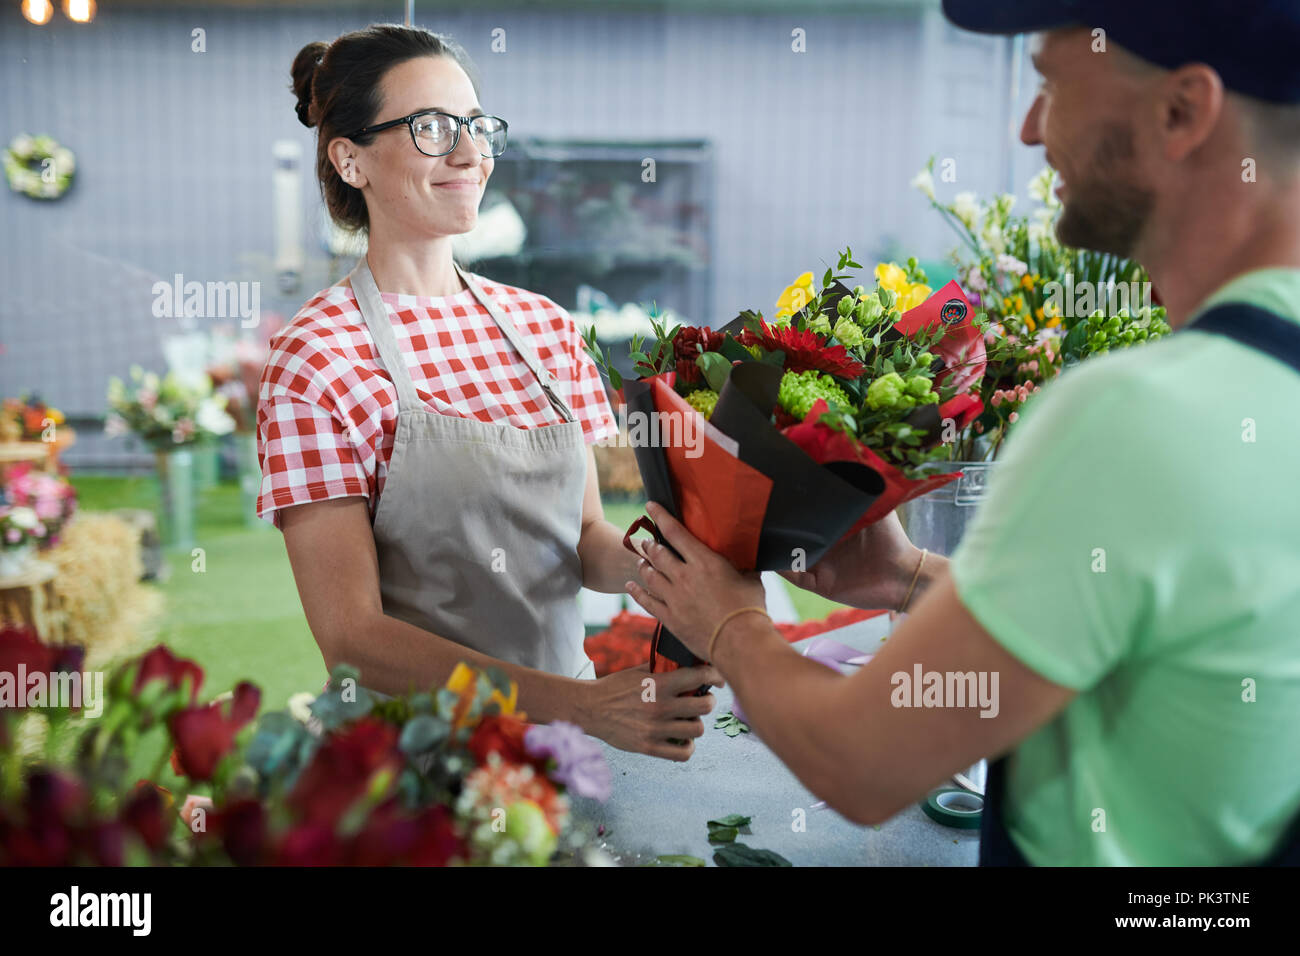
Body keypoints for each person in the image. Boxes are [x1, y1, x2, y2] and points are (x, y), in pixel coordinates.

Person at [628, 0, 1300, 864]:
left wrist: (724, 621)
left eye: (1051, 82)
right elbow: (1156, 657)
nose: (1027, 129)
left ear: (1182, 113)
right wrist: (909, 580)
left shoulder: (1135, 413)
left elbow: (863, 763)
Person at [259, 24, 720, 762]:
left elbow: (584, 539)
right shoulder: (317, 360)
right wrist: (581, 705)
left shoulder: (545, 327)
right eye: (433, 128)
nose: (472, 153)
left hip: (567, 745)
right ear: (351, 159)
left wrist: (675, 577)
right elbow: (354, 638)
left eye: (477, 126)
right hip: (417, 765)